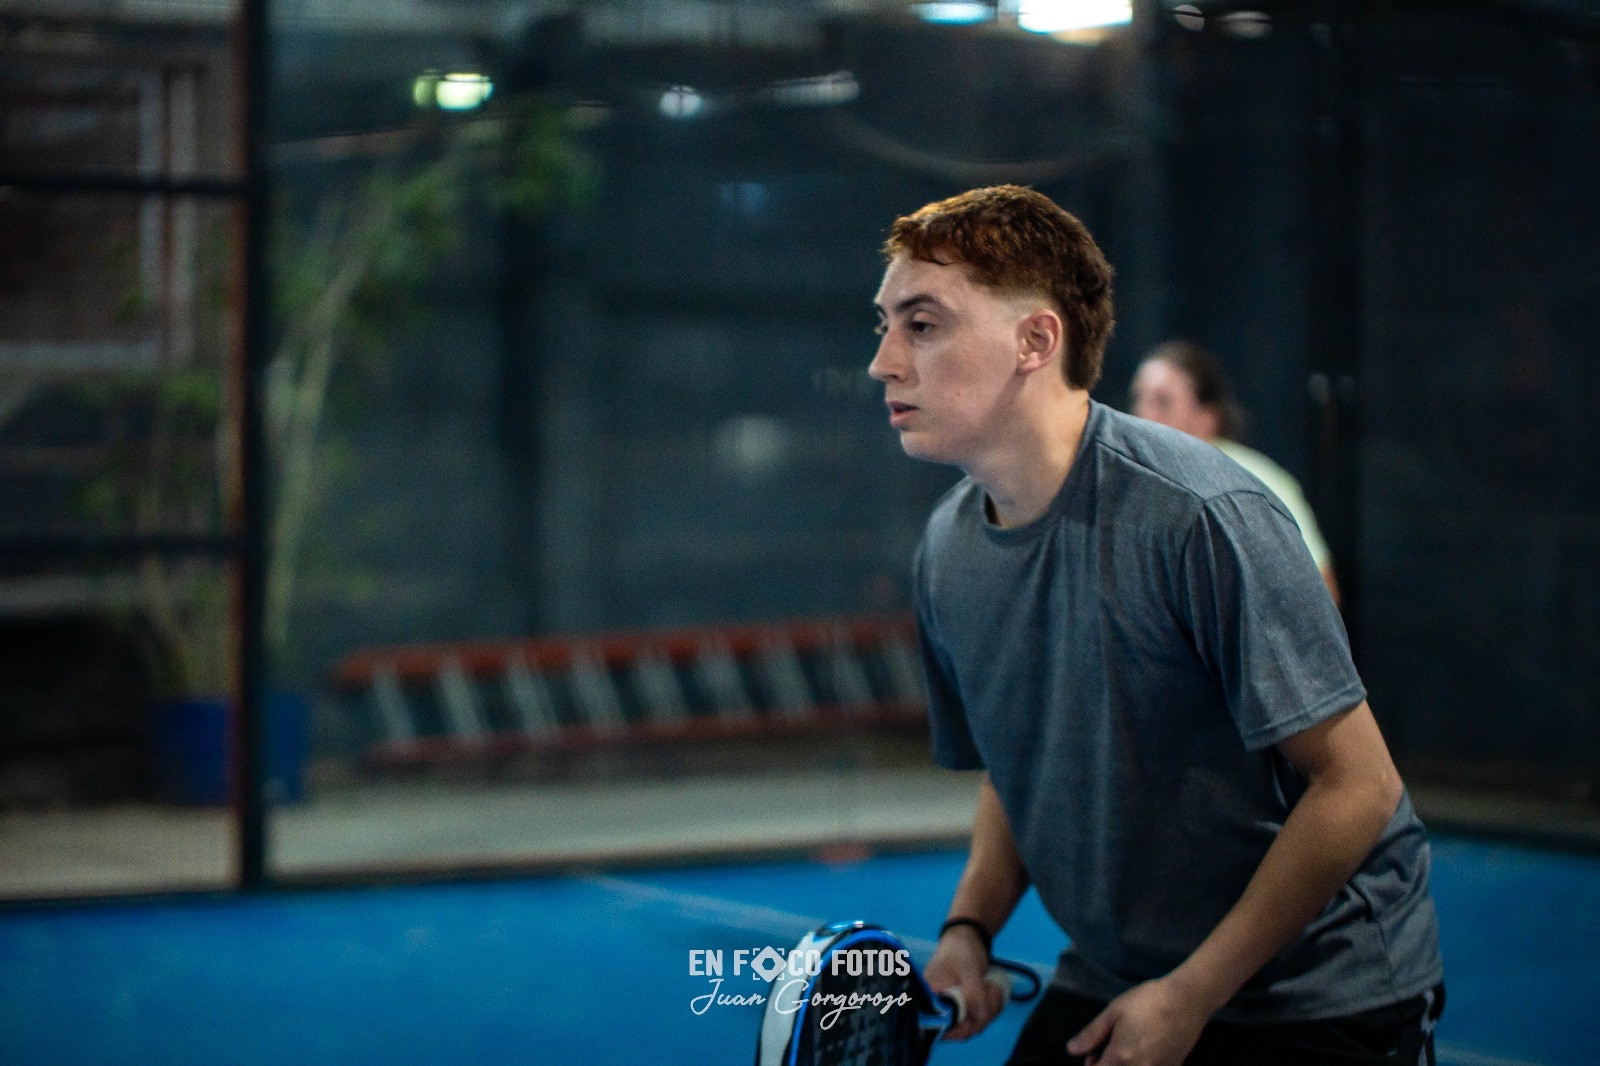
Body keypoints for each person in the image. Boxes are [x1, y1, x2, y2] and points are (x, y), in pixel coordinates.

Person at [869, 185, 1443, 1065]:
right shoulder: (946, 551)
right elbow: (1022, 768)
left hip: (1316, 993)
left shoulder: (1201, 514)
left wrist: (1190, 996)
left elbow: (1359, 787)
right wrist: (969, 930)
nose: (884, 362)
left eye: (922, 324)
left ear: (1036, 341)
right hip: (1119, 974)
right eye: (885, 326)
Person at [1131, 341, 1341, 606]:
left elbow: (1322, 594)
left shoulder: (1257, 483)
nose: (1143, 415)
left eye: (1163, 402)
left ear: (1206, 418)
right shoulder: (1129, 482)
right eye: (1138, 399)